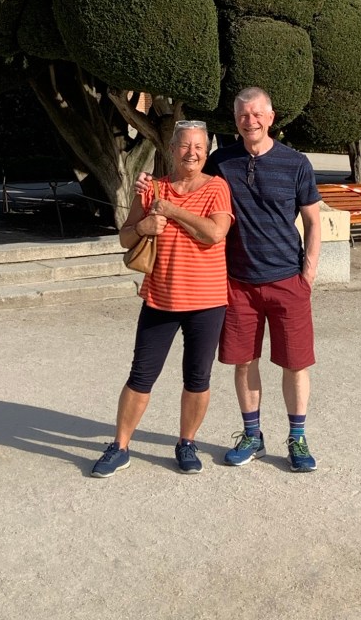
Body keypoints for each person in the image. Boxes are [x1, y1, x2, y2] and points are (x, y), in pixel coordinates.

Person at [138, 87, 321, 473]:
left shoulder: (296, 163)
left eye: (257, 114)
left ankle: (297, 438)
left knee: (295, 364)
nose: (250, 121)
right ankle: (252, 435)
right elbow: (185, 178)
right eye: (243, 115)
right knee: (243, 362)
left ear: (271, 118)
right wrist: (148, 184)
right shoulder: (223, 161)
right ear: (236, 120)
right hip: (237, 281)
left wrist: (308, 272)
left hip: (287, 279)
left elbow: (312, 219)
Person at [91, 120, 233, 477]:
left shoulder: (217, 187)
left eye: (199, 147)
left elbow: (215, 233)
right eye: (184, 145)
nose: (192, 153)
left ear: (207, 152)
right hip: (160, 299)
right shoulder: (152, 188)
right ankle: (120, 446)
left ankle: (187, 442)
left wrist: (171, 211)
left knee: (197, 377)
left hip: (207, 301)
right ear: (171, 150)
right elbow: (125, 238)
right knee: (140, 375)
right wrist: (142, 226)